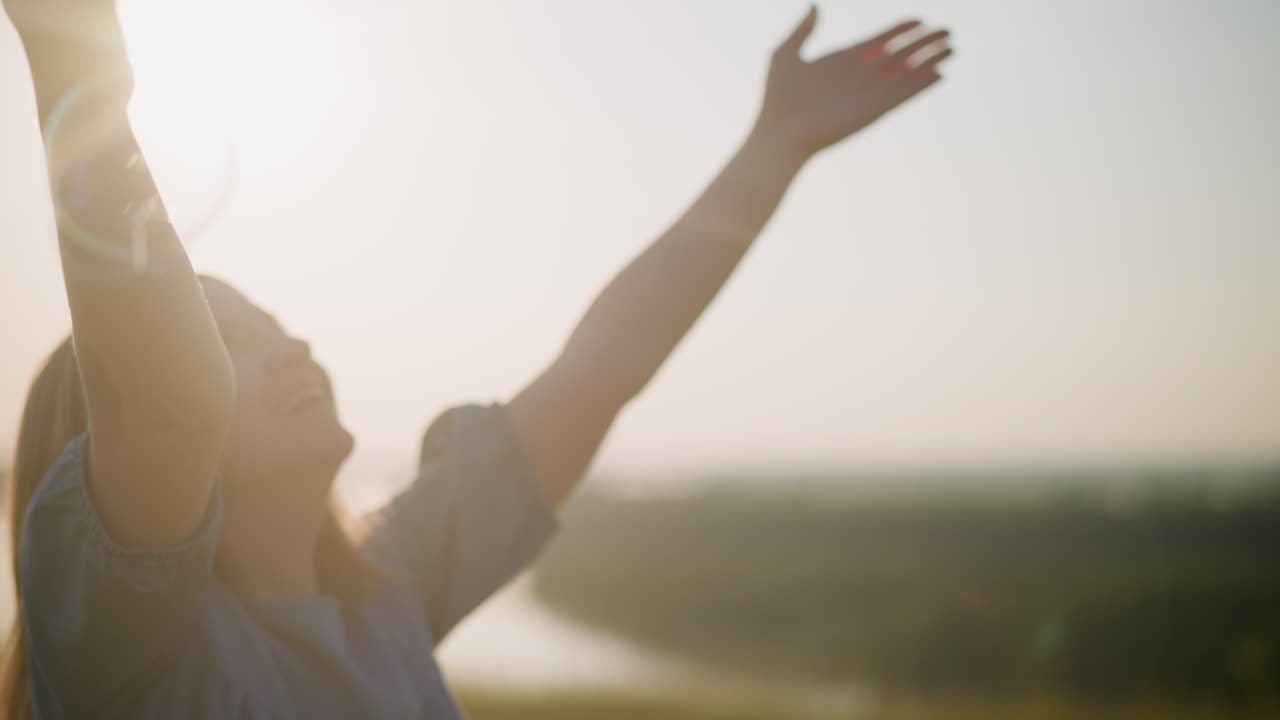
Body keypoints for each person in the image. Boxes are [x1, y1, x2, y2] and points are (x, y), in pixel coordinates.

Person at [0, 1, 952, 717]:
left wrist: (773, 148)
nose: (289, 344)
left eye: (275, 322)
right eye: (226, 341)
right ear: (107, 452)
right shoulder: (126, 651)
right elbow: (170, 402)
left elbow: (600, 369)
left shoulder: (390, 587)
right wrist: (73, 48)